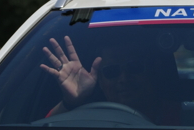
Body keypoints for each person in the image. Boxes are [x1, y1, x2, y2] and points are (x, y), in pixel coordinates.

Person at [40, 35, 180, 124]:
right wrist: (70, 102)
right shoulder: (86, 121)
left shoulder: (184, 119)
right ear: (100, 81)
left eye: (134, 67)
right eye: (111, 71)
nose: (123, 79)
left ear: (153, 70)